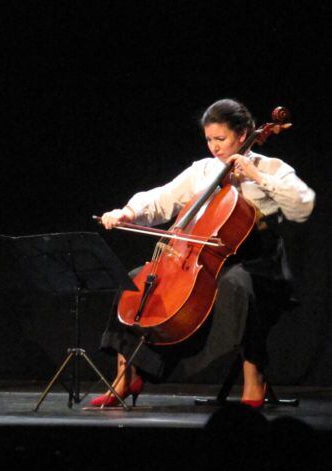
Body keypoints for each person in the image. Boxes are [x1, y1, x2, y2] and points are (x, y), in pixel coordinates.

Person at [92, 99, 315, 408]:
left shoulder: (271, 168)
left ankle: (254, 381)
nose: (214, 147)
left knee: (238, 285)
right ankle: (126, 377)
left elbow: (303, 205)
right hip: (204, 260)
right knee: (135, 281)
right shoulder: (204, 170)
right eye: (209, 139)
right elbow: (162, 199)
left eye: (220, 139)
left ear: (243, 134)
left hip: (258, 262)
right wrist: (127, 212)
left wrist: (257, 177)